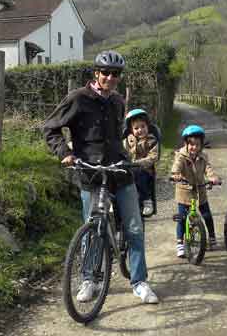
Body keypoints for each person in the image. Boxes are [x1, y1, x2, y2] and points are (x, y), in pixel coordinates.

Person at [42, 50, 159, 305]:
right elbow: (50, 128)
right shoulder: (78, 99)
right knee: (93, 228)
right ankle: (89, 279)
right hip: (91, 173)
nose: (110, 77)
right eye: (105, 72)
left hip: (119, 171)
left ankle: (139, 282)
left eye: (115, 74)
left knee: (134, 229)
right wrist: (64, 152)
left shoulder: (118, 101)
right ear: (96, 73)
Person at [171, 125, 221, 257]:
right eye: (191, 144)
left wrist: (213, 177)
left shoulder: (203, 157)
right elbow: (177, 166)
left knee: (207, 215)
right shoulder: (181, 156)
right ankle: (180, 243)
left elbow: (208, 169)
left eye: (197, 145)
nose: (194, 147)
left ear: (201, 145)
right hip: (184, 190)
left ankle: (211, 237)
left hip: (200, 190)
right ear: (186, 144)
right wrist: (175, 174)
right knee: (182, 218)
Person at [123, 109, 160, 216]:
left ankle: (147, 200)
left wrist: (138, 163)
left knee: (140, 174)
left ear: (148, 127)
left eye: (143, 126)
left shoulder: (151, 141)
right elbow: (123, 152)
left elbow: (153, 157)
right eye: (136, 128)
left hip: (145, 170)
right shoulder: (127, 141)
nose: (140, 130)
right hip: (128, 169)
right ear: (131, 130)